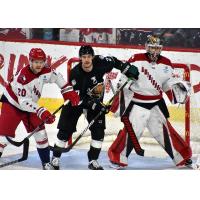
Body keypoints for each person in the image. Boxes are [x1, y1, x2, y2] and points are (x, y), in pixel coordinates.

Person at [108, 35, 192, 169]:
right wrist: (127, 80)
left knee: (165, 132)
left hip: (156, 104)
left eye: (157, 48)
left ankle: (182, 156)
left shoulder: (167, 63)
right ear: (146, 47)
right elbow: (123, 79)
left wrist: (175, 91)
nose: (154, 51)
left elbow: (166, 84)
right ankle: (117, 157)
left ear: (161, 49)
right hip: (137, 103)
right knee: (132, 132)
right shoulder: (136, 59)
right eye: (152, 48)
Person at [51, 45, 139, 170]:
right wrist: (94, 104)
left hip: (95, 101)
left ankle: (93, 160)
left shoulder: (101, 62)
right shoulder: (75, 73)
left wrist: (125, 67)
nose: (86, 60)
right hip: (75, 102)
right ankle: (55, 158)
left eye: (88, 57)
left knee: (98, 132)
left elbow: (113, 61)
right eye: (83, 57)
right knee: (64, 132)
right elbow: (78, 98)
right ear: (80, 58)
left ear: (93, 57)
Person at [0, 48, 80, 169]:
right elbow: (24, 102)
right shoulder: (23, 77)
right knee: (4, 137)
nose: (39, 65)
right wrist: (42, 111)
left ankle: (46, 163)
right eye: (36, 62)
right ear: (30, 61)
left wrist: (68, 91)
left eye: (41, 62)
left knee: (41, 135)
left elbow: (58, 78)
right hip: (12, 103)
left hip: (31, 105)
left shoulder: (46, 70)